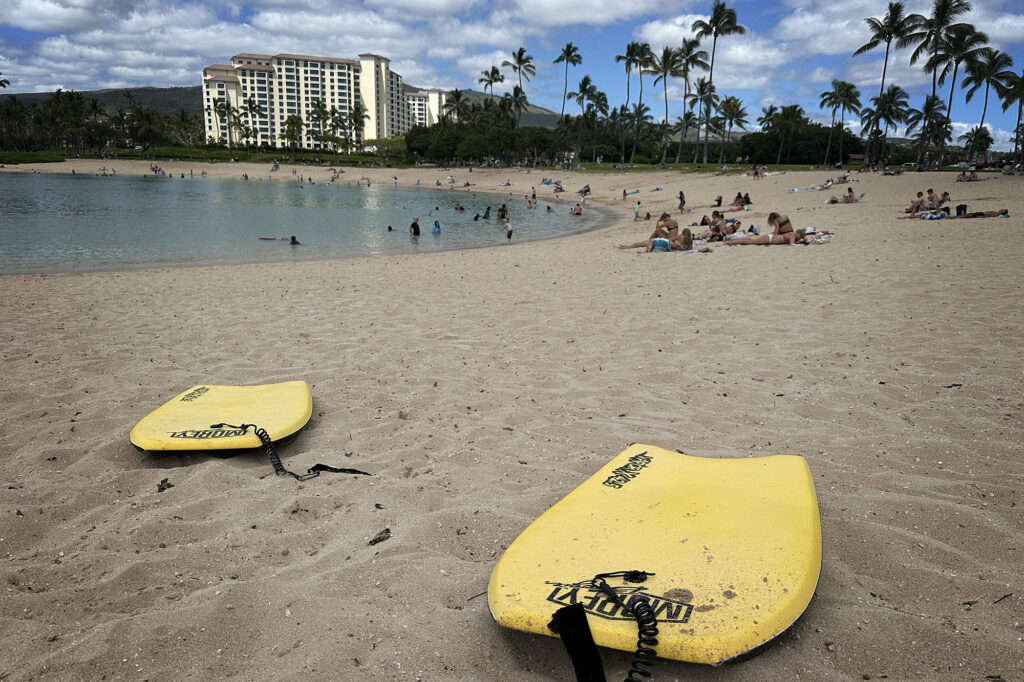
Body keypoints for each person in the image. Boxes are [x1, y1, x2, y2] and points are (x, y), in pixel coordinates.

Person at [725, 229, 808, 246]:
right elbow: (792, 244)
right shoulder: (793, 236)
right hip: (769, 239)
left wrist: (799, 241)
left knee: (750, 240)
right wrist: (801, 243)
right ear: (799, 235)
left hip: (769, 238)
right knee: (750, 241)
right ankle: (731, 242)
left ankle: (734, 240)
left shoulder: (792, 234)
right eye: (800, 237)